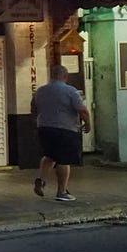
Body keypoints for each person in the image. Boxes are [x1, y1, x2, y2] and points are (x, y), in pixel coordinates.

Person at [31, 63, 91, 202]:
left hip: (44, 128)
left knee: (49, 155)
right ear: (65, 76)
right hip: (65, 129)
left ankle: (41, 180)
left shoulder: (40, 91)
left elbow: (33, 108)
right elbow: (82, 110)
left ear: (51, 75)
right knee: (64, 159)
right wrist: (87, 124)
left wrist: (37, 123)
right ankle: (62, 191)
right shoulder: (71, 91)